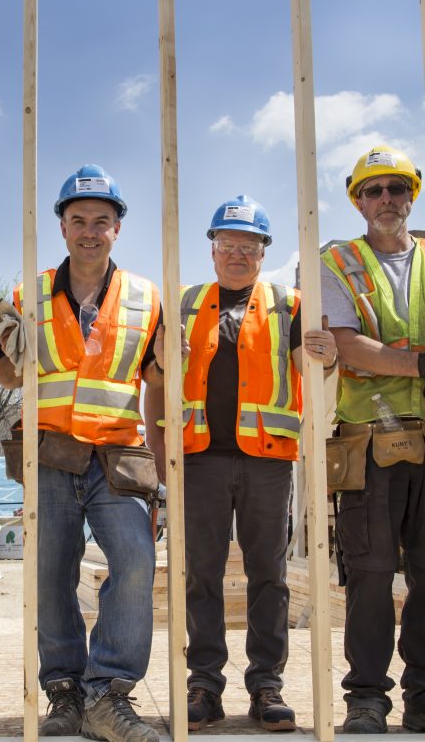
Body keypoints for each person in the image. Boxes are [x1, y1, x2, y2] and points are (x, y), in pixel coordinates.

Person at [0, 164, 162, 742]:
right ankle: (64, 693)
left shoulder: (145, 297)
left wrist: (163, 471)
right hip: (52, 456)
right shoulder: (29, 294)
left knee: (136, 563)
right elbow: (11, 377)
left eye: (102, 222)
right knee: (51, 574)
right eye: (79, 220)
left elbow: (158, 383)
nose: (90, 231)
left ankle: (107, 694)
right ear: (62, 227)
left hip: (116, 456)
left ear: (118, 229)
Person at [319, 145, 425, 734]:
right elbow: (344, 342)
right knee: (369, 574)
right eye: (373, 191)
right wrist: (423, 367)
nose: (386, 200)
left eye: (396, 188)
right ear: (357, 201)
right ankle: (366, 697)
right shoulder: (336, 262)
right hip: (370, 443)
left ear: (412, 195)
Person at [161, 195, 337, 732]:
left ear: (264, 252)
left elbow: (320, 380)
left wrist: (327, 357)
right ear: (212, 249)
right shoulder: (185, 303)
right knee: (202, 576)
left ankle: (266, 685)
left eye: (249, 245)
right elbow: (157, 377)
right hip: (201, 459)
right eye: (228, 244)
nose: (237, 253)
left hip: (267, 462)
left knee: (270, 576)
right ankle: (204, 686)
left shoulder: (290, 304)